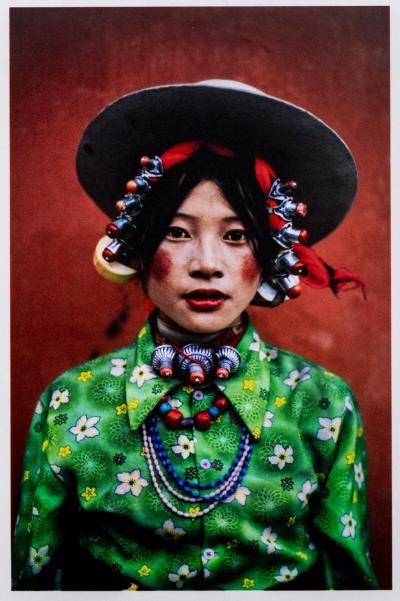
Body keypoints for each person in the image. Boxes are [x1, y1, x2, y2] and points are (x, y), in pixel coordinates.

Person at [12, 80, 378, 590]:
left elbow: (349, 580)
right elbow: (33, 575)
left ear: (269, 257)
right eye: (177, 232)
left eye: (236, 236)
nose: (207, 265)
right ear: (136, 248)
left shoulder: (321, 404)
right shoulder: (71, 404)